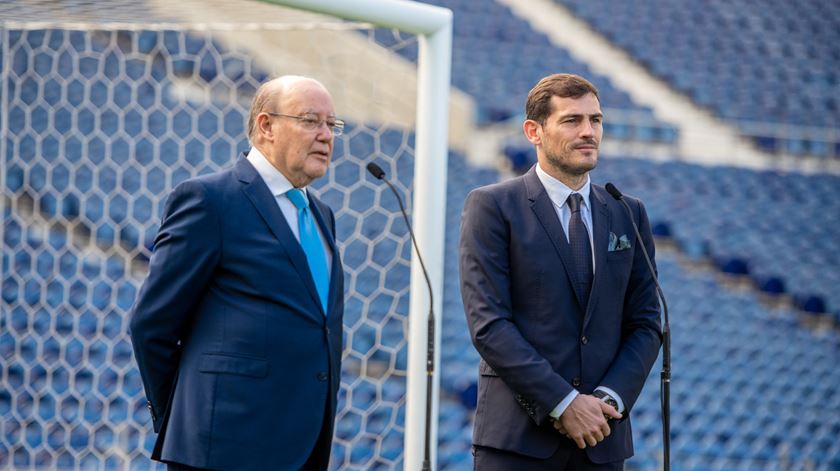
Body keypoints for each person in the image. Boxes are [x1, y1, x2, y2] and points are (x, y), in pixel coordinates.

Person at [129, 76, 345, 471]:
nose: (326, 135)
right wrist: (184, 419)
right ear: (266, 126)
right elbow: (151, 325)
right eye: (311, 121)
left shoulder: (321, 216)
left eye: (333, 125)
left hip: (303, 447)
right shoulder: (209, 199)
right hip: (222, 449)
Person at [459, 73, 662, 470]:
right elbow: (489, 324)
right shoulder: (493, 206)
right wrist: (563, 403)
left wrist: (606, 401)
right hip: (518, 444)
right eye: (572, 120)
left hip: (602, 441)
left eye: (596, 120)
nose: (589, 132)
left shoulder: (628, 212)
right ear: (533, 131)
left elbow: (646, 324)